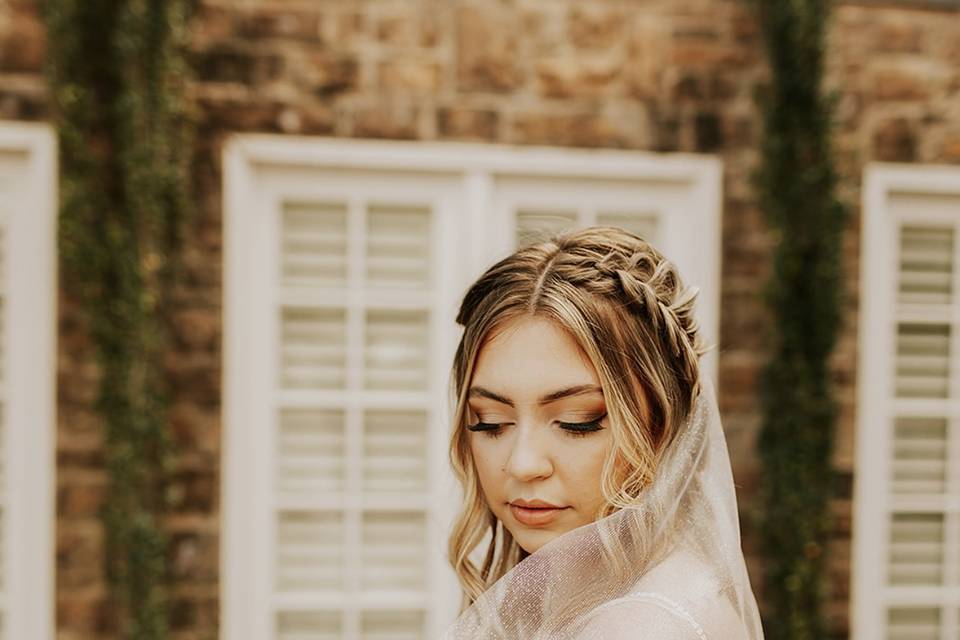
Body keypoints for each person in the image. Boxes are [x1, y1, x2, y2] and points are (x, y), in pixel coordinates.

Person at [443, 227, 763, 639]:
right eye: (490, 421)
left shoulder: (640, 626)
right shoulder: (657, 588)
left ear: (660, 425)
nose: (523, 464)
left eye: (578, 420)